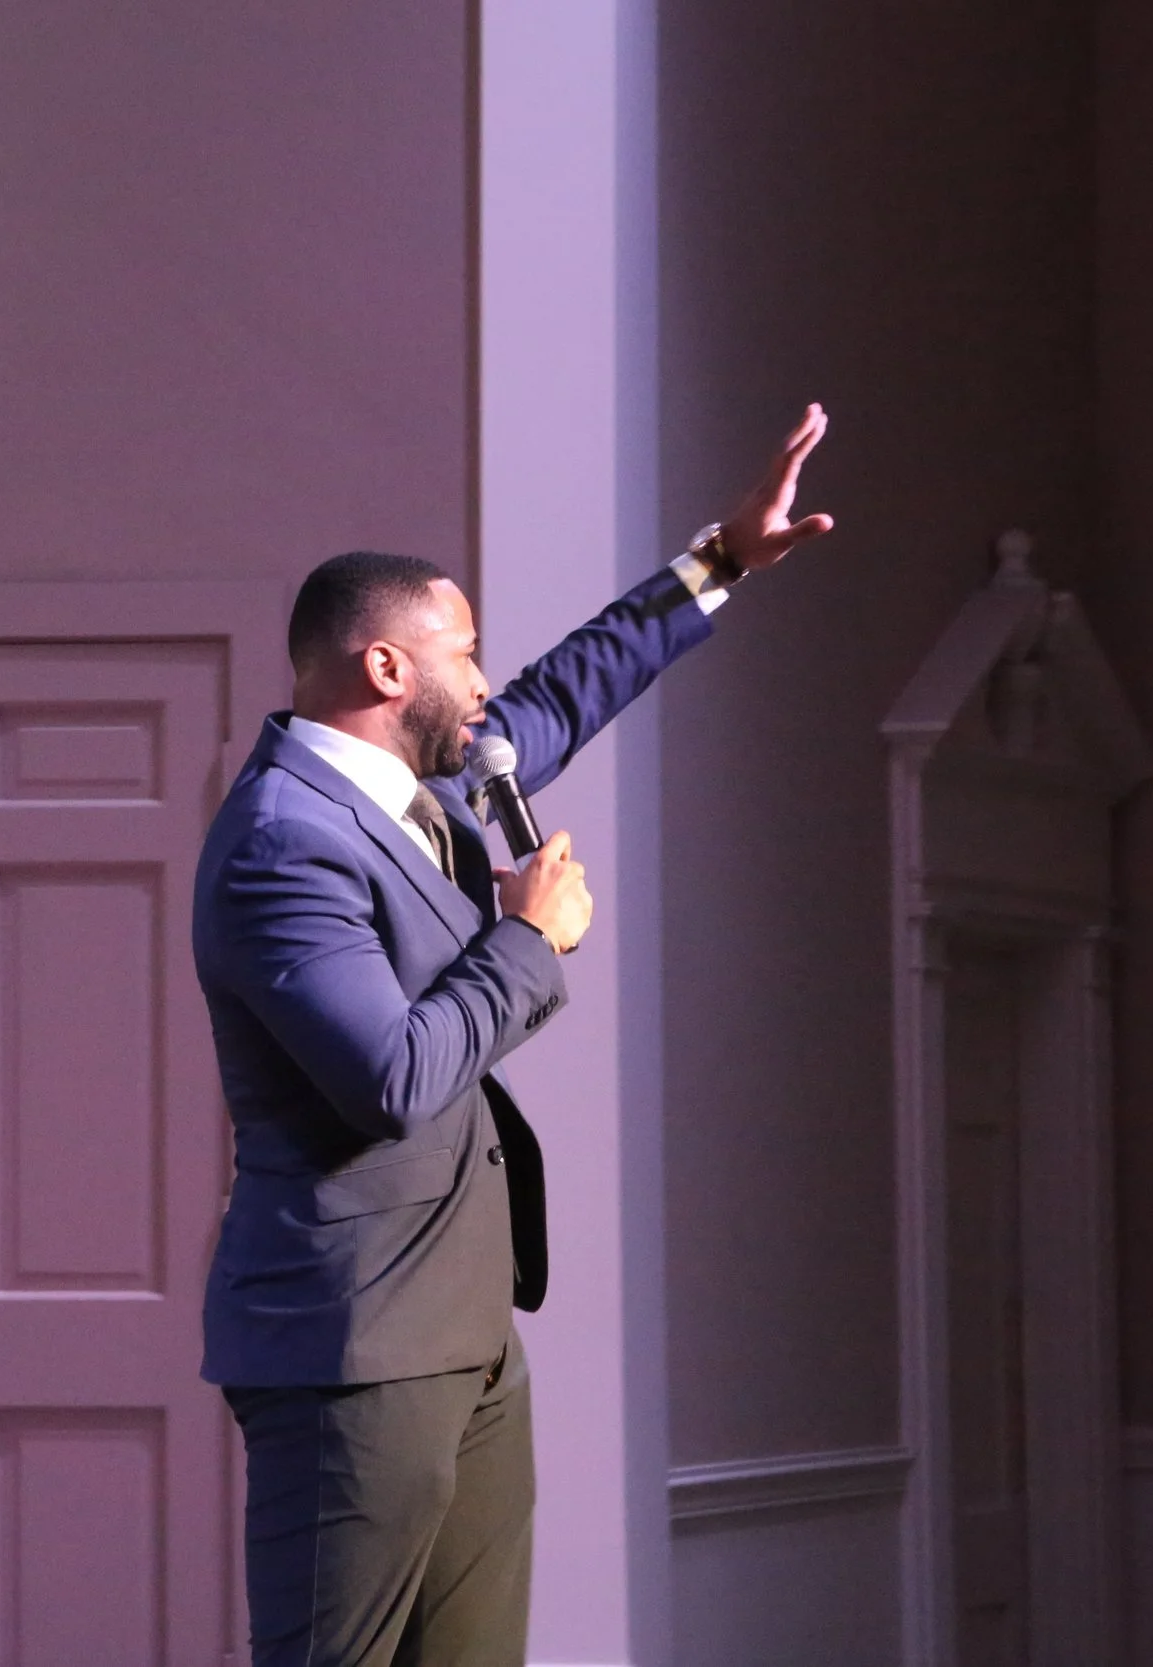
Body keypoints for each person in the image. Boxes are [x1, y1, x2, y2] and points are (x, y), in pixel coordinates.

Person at [195, 407, 836, 1666]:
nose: (484, 680)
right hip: (354, 1346)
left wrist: (720, 560)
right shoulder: (285, 842)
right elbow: (392, 1077)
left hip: (470, 1329)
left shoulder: (425, 791)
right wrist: (529, 938)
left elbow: (559, 694)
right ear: (388, 671)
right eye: (463, 650)